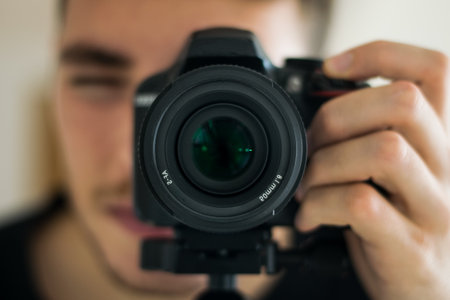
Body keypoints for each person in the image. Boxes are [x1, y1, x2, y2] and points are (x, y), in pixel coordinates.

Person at [1, 0, 450, 299]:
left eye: (233, 97)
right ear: (54, 73)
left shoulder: (394, 279)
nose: (137, 156)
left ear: (312, 106)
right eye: (96, 82)